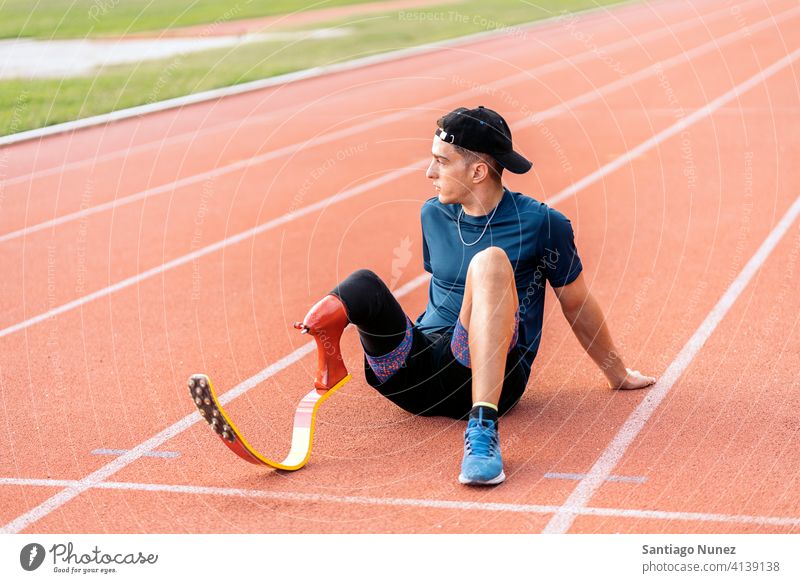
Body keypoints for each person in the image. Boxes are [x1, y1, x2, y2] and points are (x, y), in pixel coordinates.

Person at [294, 106, 657, 486]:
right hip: (413, 379)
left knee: (490, 263)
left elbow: (577, 303)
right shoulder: (432, 214)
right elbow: (443, 295)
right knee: (362, 284)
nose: (429, 173)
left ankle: (483, 431)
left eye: (440, 162)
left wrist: (616, 373)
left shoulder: (543, 224)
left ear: (478, 171)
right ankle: (327, 351)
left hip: (485, 377)